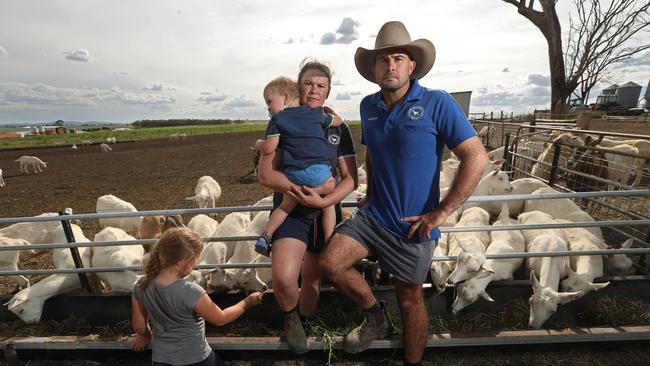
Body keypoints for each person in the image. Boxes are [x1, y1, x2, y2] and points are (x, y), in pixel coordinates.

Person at [318, 21, 489, 365]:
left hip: (414, 225)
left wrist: (442, 211)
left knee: (410, 298)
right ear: (374, 69)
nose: (391, 66)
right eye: (383, 60)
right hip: (374, 215)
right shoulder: (369, 107)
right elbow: (373, 151)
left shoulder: (437, 103)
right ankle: (376, 317)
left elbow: (477, 156)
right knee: (330, 263)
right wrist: (369, 188)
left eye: (399, 58)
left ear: (411, 66)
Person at [257, 59, 358, 354]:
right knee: (284, 276)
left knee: (313, 277)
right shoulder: (282, 120)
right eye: (308, 84)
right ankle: (291, 318)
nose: (314, 90)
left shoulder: (336, 126)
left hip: (324, 207)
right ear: (298, 88)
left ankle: (308, 322)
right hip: (292, 207)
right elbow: (266, 174)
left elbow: (350, 179)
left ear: (328, 91)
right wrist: (297, 191)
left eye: (321, 85)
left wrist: (325, 199)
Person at [132, 227, 264, 366]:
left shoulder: (140, 285)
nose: (196, 264)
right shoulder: (191, 291)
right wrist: (247, 302)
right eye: (195, 259)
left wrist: (145, 336)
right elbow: (220, 319)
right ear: (183, 261)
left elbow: (139, 326)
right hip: (196, 359)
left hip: (161, 360)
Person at [254, 76, 343, 257]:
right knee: (328, 206)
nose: (268, 108)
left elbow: (270, 148)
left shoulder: (277, 120)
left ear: (285, 98)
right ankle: (328, 240)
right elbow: (339, 121)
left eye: (269, 102)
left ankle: (266, 235)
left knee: (285, 207)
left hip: (295, 174)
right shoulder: (316, 114)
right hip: (320, 173)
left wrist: (257, 144)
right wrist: (328, 111)